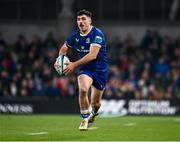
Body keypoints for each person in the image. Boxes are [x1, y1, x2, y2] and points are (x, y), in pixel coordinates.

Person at [54, 9, 108, 131]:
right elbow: (63, 49)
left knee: (96, 104)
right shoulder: (75, 35)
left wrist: (74, 64)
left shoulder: (97, 34)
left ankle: (94, 113)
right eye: (78, 19)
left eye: (83, 19)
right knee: (83, 90)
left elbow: (92, 55)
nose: (81, 22)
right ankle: (84, 118)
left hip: (100, 70)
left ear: (90, 20)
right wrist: (60, 60)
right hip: (85, 68)